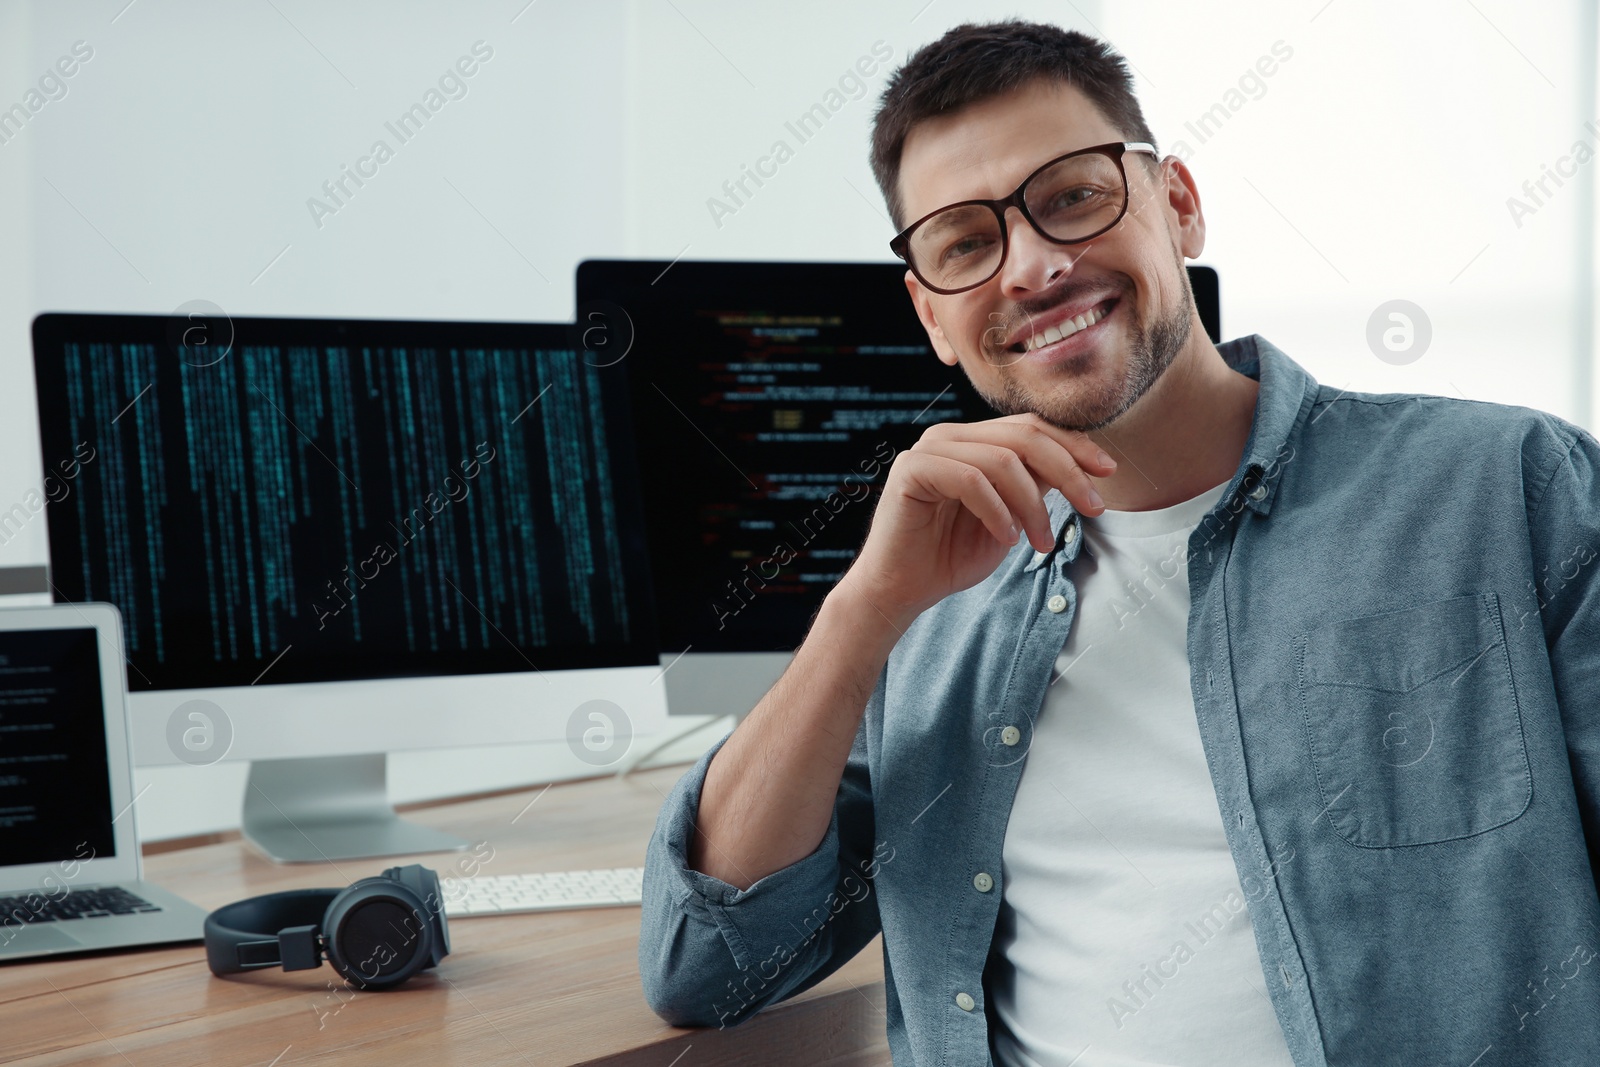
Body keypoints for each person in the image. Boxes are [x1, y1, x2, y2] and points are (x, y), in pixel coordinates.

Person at [638, 19, 1600, 1067]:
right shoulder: (926, 620)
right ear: (928, 313)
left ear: (1177, 205)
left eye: (1072, 198)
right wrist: (865, 607)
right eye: (965, 243)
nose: (1034, 267)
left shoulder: (1505, 487)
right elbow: (707, 963)